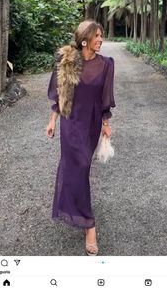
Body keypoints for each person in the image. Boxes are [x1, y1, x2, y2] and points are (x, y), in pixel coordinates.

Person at [46, 19, 115, 256]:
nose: (101, 40)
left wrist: (106, 124)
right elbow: (60, 94)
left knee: (82, 167)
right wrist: (52, 120)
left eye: (102, 36)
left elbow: (106, 98)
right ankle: (89, 224)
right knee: (77, 165)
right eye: (97, 36)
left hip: (91, 122)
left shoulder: (106, 65)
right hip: (70, 122)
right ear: (85, 39)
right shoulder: (67, 62)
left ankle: (73, 206)